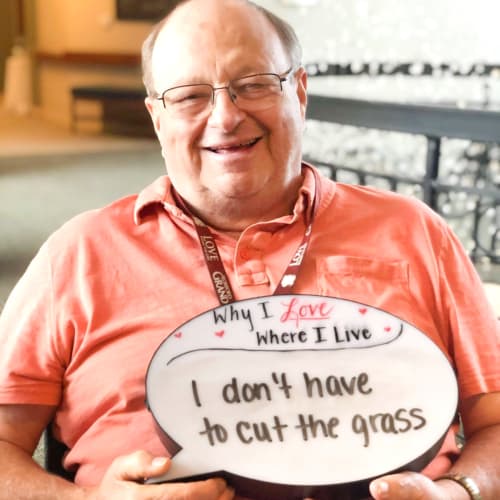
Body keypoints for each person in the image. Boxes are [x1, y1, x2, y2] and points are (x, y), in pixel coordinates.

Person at [0, 0, 499, 498]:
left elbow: (495, 424)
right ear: (157, 117)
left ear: (299, 93)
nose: (225, 115)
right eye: (191, 95)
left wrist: (461, 490)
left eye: (254, 84)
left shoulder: (414, 232)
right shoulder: (79, 255)